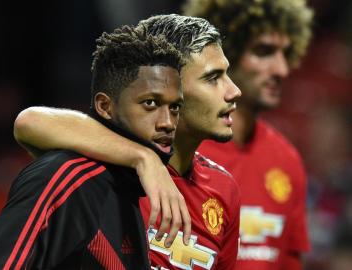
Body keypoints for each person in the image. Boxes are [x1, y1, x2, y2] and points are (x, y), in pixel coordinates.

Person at [14, 14, 242, 269]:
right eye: (213, 78)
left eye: (227, 75)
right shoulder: (105, 169)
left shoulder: (223, 188)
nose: (233, 91)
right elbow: (29, 122)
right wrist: (144, 159)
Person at [0, 25, 185, 270]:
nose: (167, 122)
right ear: (105, 106)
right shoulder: (66, 176)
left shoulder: (132, 189)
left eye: (175, 107)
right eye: (150, 103)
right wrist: (145, 156)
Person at [183, 0, 314, 269]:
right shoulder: (181, 149)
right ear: (225, 55)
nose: (282, 70)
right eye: (264, 51)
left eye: (285, 54)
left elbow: (290, 261)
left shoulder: (286, 159)